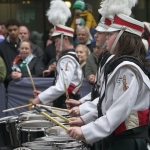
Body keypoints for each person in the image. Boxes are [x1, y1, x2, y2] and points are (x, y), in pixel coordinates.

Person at [67, 12, 150, 150]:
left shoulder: (127, 69)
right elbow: (106, 102)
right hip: (119, 138)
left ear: (121, 38)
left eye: (110, 34)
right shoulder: (119, 65)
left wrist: (86, 130)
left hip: (128, 141)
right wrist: (84, 119)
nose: (107, 38)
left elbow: (119, 110)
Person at [32, 23, 83, 108]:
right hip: (65, 100)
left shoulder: (67, 59)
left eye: (56, 41)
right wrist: (44, 95)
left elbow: (61, 87)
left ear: (65, 39)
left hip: (65, 103)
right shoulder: (70, 56)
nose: (55, 44)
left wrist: (40, 98)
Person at [0, 19, 21, 87]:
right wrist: (9, 76)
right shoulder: (1, 47)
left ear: (19, 29)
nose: (13, 32)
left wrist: (22, 74)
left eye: (15, 29)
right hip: (8, 83)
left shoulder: (27, 46)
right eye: (10, 30)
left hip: (24, 80)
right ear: (6, 30)